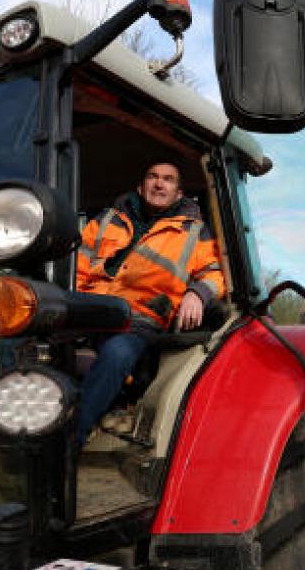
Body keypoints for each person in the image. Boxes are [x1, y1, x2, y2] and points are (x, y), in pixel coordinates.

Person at [75, 160, 225, 446]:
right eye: (153, 177)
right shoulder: (107, 220)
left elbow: (216, 272)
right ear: (141, 187)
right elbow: (73, 263)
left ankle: (71, 438)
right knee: (17, 335)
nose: (159, 184)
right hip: (85, 308)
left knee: (117, 354)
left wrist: (197, 294)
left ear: (178, 194)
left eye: (168, 180)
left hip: (137, 319)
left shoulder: (195, 233)